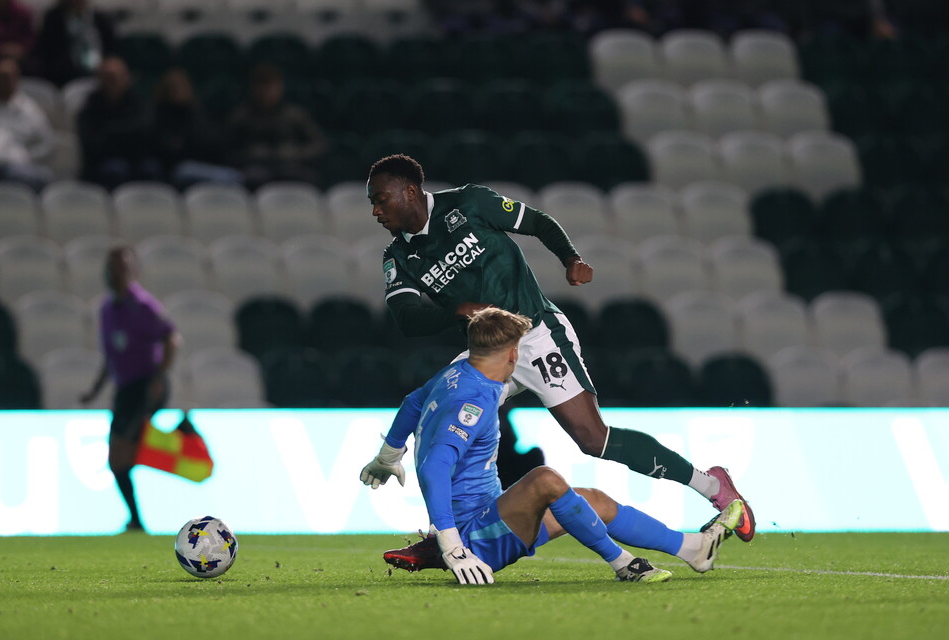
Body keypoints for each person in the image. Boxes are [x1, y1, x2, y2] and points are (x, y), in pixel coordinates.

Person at [365, 154, 756, 541]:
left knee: (593, 439)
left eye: (381, 200)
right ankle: (447, 535)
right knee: (442, 416)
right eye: (373, 204)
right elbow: (407, 319)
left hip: (537, 334)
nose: (376, 211)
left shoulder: (468, 203)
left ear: (410, 190)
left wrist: (571, 258)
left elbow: (538, 222)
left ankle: (713, 486)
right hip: (487, 351)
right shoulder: (398, 256)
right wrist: (459, 310)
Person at [361, 308, 744, 584]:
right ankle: (625, 563)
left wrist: (387, 456)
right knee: (545, 479)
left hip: (491, 517)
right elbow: (433, 469)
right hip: (478, 537)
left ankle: (692, 549)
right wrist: (452, 545)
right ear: (513, 354)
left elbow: (412, 403)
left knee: (592, 500)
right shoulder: (474, 401)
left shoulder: (455, 374)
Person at [80, 246, 180, 532]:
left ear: (131, 271)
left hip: (145, 385)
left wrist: (159, 377)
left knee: (120, 453)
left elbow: (171, 338)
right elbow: (110, 356)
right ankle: (136, 520)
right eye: (112, 268)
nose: (116, 274)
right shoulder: (107, 309)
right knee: (120, 458)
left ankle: (136, 520)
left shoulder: (143, 305)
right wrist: (95, 390)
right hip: (125, 390)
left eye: (121, 268)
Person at [226, 64, 328, 190]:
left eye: (271, 87)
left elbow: (319, 145)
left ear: (280, 87)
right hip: (255, 168)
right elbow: (228, 150)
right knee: (252, 177)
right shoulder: (242, 116)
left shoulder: (294, 114)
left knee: (306, 177)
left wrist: (294, 152)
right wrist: (253, 153)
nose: (267, 93)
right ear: (253, 89)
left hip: (290, 165)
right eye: (262, 87)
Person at [147, 67, 242, 189]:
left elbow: (210, 141)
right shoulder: (160, 114)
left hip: (203, 164)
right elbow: (169, 150)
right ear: (166, 91)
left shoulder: (196, 112)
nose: (179, 91)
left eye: (182, 87)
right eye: (174, 88)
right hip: (178, 168)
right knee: (227, 177)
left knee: (236, 176)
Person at [76, 56, 158, 188]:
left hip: (137, 160)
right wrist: (127, 135)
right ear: (100, 79)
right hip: (102, 164)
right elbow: (93, 144)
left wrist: (111, 133)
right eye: (109, 77)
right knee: (115, 169)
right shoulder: (89, 108)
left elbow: (146, 133)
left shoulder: (140, 104)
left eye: (118, 76)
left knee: (151, 168)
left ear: (127, 78)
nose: (114, 81)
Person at [0, 55, 53, 190]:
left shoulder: (29, 110)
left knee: (42, 177)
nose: (3, 81)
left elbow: (46, 143)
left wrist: (26, 156)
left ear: (16, 79)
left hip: (17, 165)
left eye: (7, 77)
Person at [32, 0, 117, 87]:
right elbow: (48, 53)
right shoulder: (54, 18)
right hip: (66, 76)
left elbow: (111, 49)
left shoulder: (100, 18)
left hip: (99, 72)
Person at [0, 0, 35, 67]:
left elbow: (30, 39)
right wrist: (0, 49)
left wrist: (20, 49)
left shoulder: (22, 12)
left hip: (20, 59)